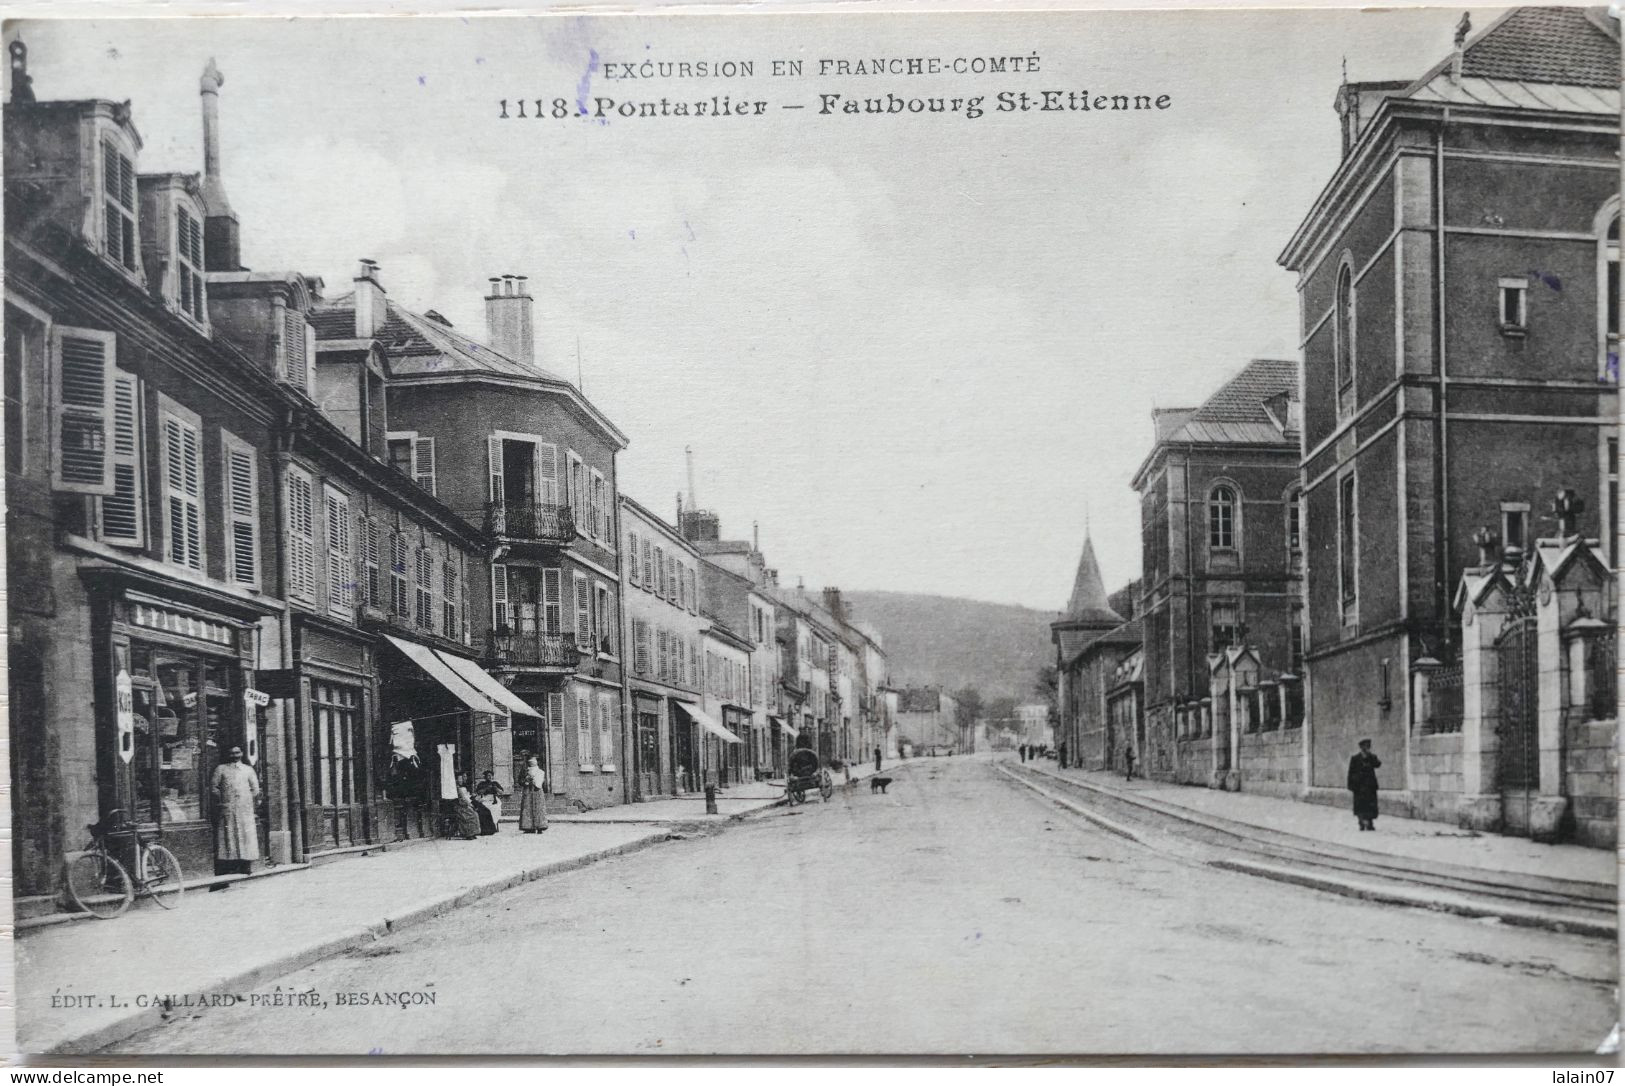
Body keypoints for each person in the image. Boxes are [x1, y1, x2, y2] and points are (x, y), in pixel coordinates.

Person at [210, 745, 261, 877]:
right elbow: (214, 787)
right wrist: (223, 799)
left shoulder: (248, 770)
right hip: (228, 808)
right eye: (232, 753)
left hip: (245, 809)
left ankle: (245, 865)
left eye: (237, 752)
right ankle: (230, 865)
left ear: (242, 753)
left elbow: (255, 789)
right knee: (229, 836)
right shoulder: (221, 769)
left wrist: (247, 799)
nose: (235, 755)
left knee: (245, 836)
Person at [1348, 739, 1382, 831]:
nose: (1367, 748)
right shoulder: (1355, 758)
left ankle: (1370, 823)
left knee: (1371, 805)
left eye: (1368, 746)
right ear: (1361, 747)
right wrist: (1351, 785)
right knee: (1360, 805)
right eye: (1365, 746)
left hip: (1370, 786)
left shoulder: (1372, 757)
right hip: (1359, 787)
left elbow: (1378, 764)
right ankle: (1361, 823)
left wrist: (1370, 756)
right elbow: (1351, 772)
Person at [518, 754, 548, 833]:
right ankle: (528, 827)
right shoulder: (525, 771)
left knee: (539, 808)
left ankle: (540, 827)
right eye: (530, 762)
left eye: (534, 761)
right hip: (527, 791)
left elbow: (542, 782)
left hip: (537, 790)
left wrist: (537, 782)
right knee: (527, 808)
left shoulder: (540, 772)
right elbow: (520, 781)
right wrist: (525, 782)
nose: (532, 763)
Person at [473, 770, 505, 835]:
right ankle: (486, 827)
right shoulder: (482, 783)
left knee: (494, 808)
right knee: (484, 808)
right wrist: (486, 789)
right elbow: (478, 792)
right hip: (484, 798)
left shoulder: (495, 783)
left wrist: (496, 788)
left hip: (494, 799)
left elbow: (501, 792)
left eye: (491, 776)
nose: (489, 777)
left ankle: (492, 825)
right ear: (485, 777)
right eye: (488, 776)